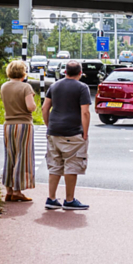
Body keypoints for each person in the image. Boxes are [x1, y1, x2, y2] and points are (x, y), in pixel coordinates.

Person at [41, 60, 91, 210]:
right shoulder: (82, 87)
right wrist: (85, 133)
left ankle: (51, 199)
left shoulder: (54, 86)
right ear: (80, 73)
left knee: (55, 165)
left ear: (65, 72)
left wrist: (49, 125)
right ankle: (69, 200)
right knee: (72, 165)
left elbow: (45, 108)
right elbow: (85, 112)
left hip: (54, 132)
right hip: (72, 132)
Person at [1, 60, 37, 202]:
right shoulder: (26, 87)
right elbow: (31, 107)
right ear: (23, 72)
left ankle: (8, 191)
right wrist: (33, 102)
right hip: (23, 124)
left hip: (8, 125)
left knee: (10, 156)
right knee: (22, 157)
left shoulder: (4, 86)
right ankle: (18, 191)